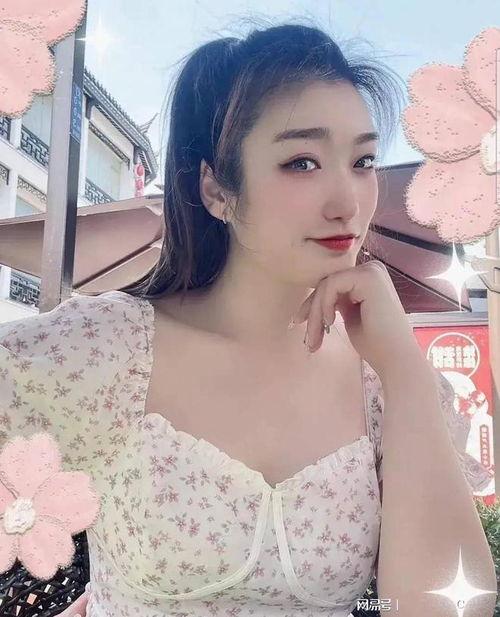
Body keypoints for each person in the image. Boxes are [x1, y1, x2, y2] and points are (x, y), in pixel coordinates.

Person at [0, 19, 483, 617]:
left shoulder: (381, 382)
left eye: (362, 161)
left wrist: (404, 369)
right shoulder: (108, 351)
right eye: (302, 162)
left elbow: (447, 607)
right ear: (216, 191)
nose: (348, 202)